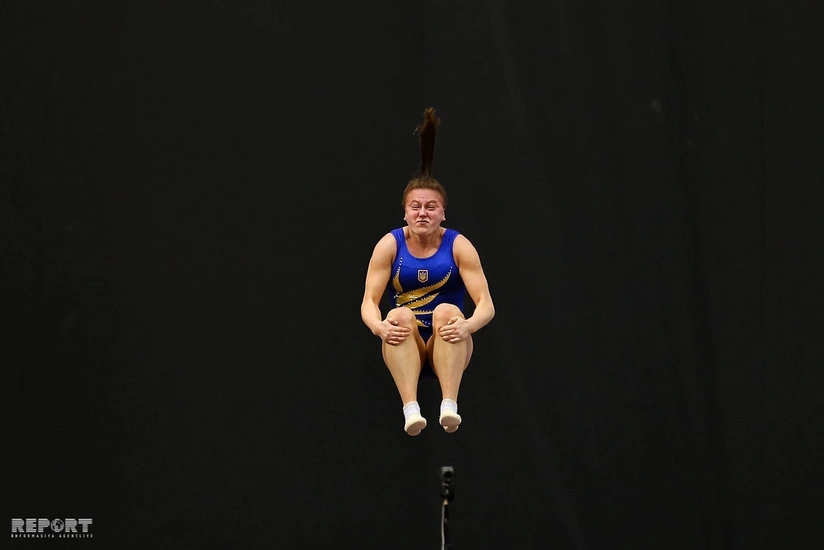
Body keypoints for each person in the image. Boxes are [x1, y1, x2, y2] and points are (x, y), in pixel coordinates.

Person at [360, 108, 495, 436]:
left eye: (431, 207)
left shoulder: (459, 246)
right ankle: (412, 408)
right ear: (405, 213)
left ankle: (449, 404)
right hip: (404, 344)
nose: (423, 213)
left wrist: (468, 326)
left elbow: (486, 305)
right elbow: (368, 302)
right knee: (398, 316)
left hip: (447, 342)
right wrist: (379, 328)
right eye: (416, 207)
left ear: (443, 214)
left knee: (450, 310)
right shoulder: (389, 245)